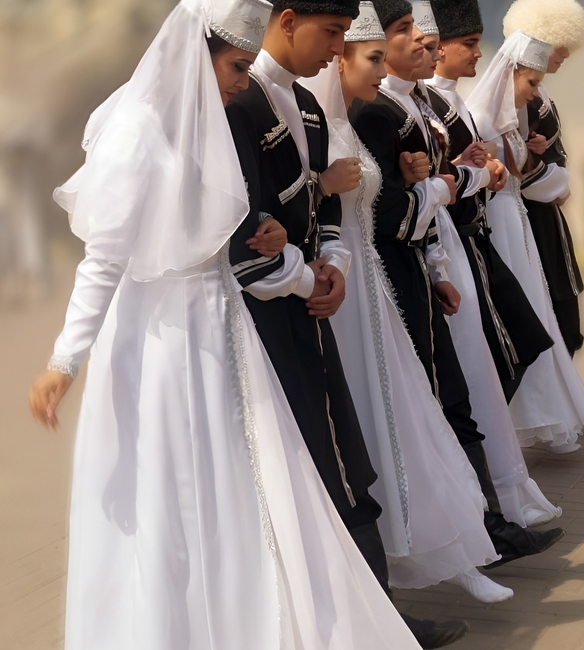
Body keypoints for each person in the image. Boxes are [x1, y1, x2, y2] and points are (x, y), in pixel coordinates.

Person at [28, 1, 427, 647]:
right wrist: (64, 361)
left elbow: (228, 227)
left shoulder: (206, 122)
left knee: (248, 490)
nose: (244, 80)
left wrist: (272, 234)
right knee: (175, 495)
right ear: (196, 56)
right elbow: (104, 261)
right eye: (237, 67)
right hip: (160, 341)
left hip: (224, 329)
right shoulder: (135, 130)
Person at [226, 1, 467, 646]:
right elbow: (245, 228)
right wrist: (310, 259)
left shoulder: (306, 105)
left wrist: (332, 265)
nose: (337, 50)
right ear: (287, 21)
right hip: (267, 320)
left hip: (310, 306)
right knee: (306, 468)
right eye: (331, 33)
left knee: (343, 461)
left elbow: (325, 213)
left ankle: (376, 618)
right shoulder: (240, 105)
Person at [302, 0, 511, 606]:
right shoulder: (328, 125)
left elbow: (380, 204)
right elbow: (333, 212)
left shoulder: (351, 122)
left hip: (372, 283)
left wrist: (420, 178)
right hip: (345, 293)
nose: (379, 70)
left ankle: (455, 548)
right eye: (371, 57)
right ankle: (398, 573)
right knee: (380, 420)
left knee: (413, 412)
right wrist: (326, 187)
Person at [351, 0, 564, 532]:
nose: (422, 44)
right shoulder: (378, 112)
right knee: (449, 388)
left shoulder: (415, 103)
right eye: (406, 34)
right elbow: (390, 209)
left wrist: (452, 182)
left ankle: (487, 516)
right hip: (402, 261)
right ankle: (479, 521)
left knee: (472, 378)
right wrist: (455, 182)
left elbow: (435, 183)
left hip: (437, 250)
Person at [422, 0, 562, 526]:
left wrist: (485, 170)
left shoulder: (445, 102)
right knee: (494, 357)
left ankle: (499, 487)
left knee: (517, 343)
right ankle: (488, 497)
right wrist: (479, 173)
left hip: (469, 240)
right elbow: (435, 180)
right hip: (456, 242)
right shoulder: (421, 104)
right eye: (467, 43)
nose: (477, 53)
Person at [466, 29, 584, 453]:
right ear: (509, 74)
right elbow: (495, 176)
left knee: (540, 312)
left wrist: (533, 153)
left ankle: (543, 412)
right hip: (499, 223)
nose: (534, 91)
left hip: (518, 222)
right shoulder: (481, 118)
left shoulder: (513, 121)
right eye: (530, 82)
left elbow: (524, 171)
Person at [503, 0, 584, 357]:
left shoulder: (539, 94)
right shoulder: (521, 98)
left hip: (548, 215)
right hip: (533, 218)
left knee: (565, 317)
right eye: (559, 45)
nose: (566, 54)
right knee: (554, 316)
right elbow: (521, 169)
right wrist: (559, 182)